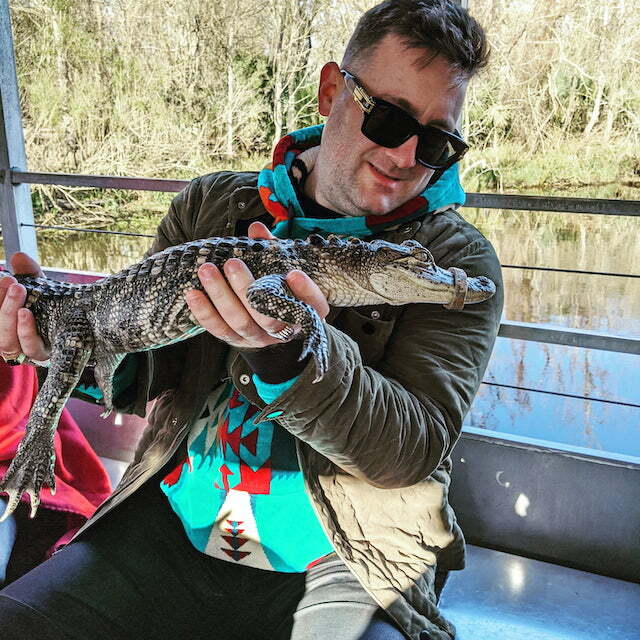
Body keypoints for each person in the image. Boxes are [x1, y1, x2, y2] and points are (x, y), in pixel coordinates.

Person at [0, 1, 503, 638]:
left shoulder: (453, 263)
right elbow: (139, 378)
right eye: (390, 118)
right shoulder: (213, 204)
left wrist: (295, 358)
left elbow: (414, 449)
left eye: (436, 142)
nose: (406, 155)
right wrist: (42, 340)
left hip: (351, 558)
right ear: (331, 92)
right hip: (170, 524)